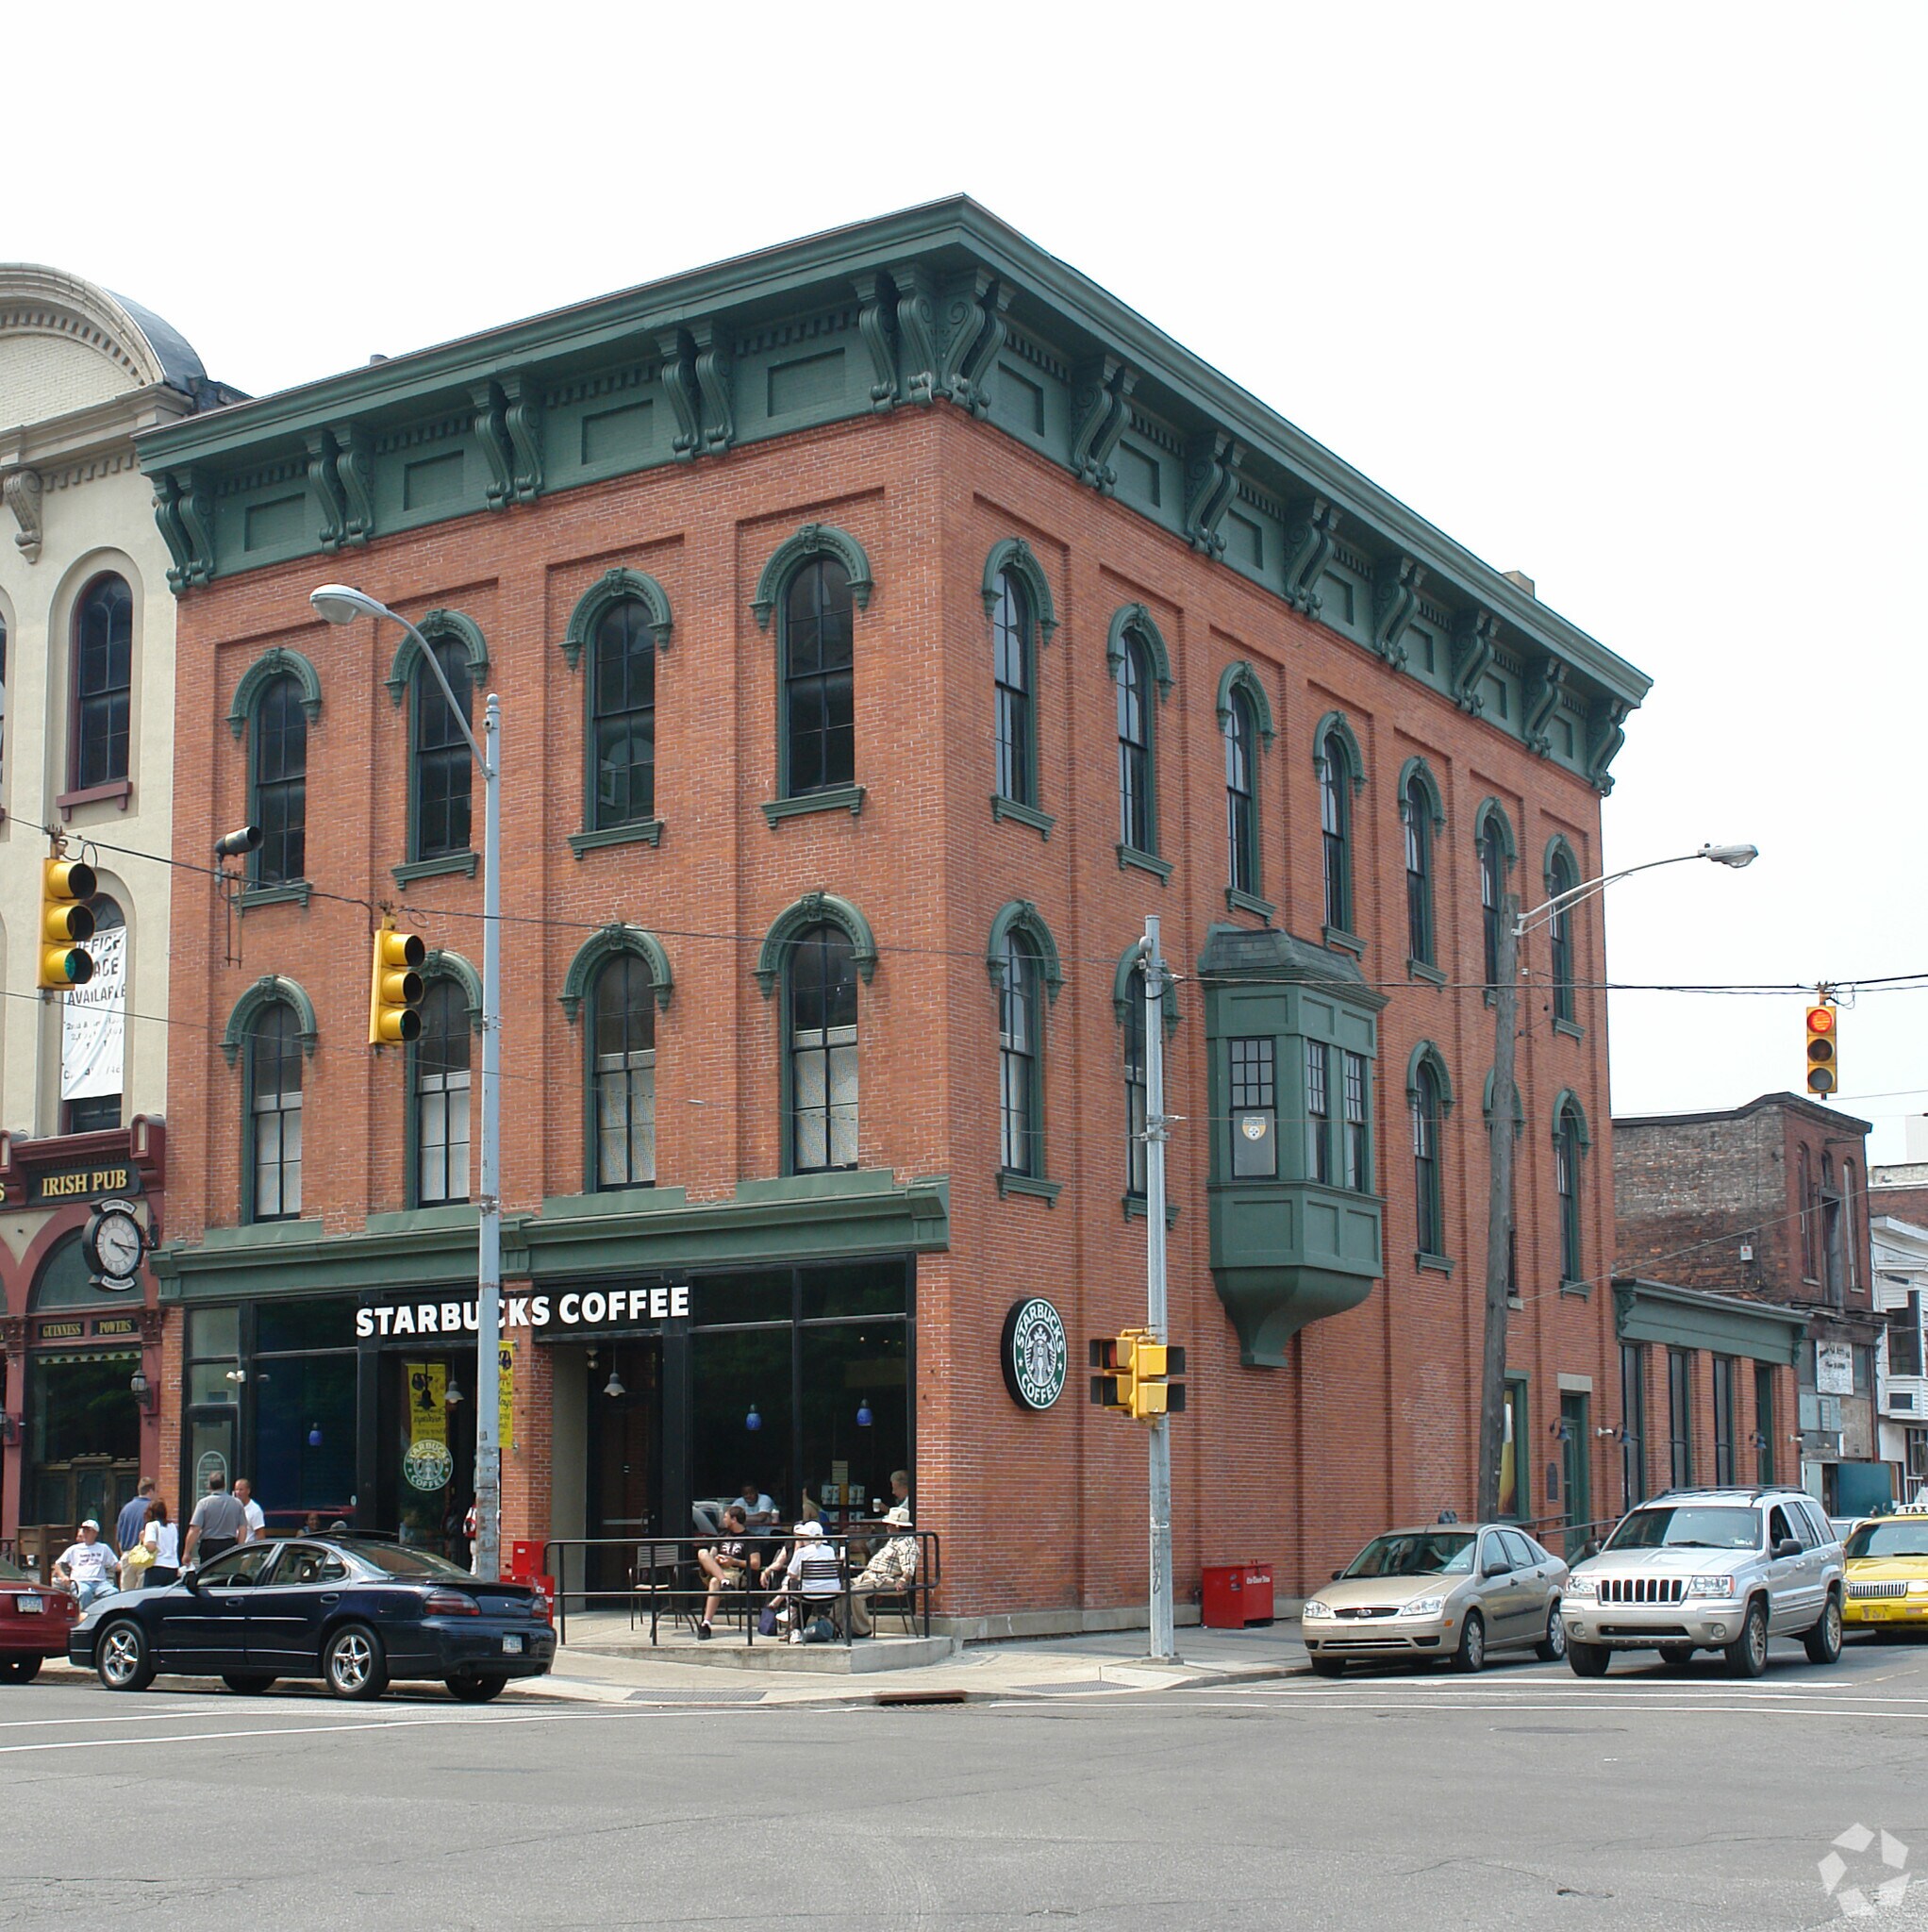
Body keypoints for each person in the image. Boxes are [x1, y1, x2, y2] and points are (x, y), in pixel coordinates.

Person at [767, 1520, 843, 1641]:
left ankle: (795, 1628)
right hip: (831, 1593)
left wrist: (800, 1576)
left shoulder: (802, 1552)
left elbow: (791, 1573)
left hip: (809, 1594)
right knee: (805, 1590)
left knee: (794, 1587)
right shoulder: (830, 1550)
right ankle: (813, 1622)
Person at [848, 1505, 919, 1636]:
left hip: (886, 1579)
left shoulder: (907, 1542)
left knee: (854, 1593)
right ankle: (834, 1626)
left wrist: (903, 1581)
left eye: (889, 1525)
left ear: (897, 1527)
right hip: (871, 1576)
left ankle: (862, 1629)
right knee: (842, 1587)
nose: (887, 1528)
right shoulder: (893, 1539)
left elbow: (909, 1568)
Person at [695, 1505, 762, 1639]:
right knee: (702, 1552)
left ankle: (706, 1623)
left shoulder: (749, 1538)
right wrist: (716, 1559)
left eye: (725, 1517)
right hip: (716, 1569)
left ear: (734, 1519)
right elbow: (712, 1554)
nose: (723, 1520)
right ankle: (724, 1582)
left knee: (715, 1582)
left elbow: (756, 1564)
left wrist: (734, 1561)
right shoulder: (722, 1535)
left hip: (734, 1572)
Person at [182, 1471, 249, 1567]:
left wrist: (187, 1552)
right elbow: (243, 1528)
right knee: (228, 1573)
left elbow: (194, 1529)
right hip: (229, 1545)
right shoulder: (237, 1503)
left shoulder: (203, 1503)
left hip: (209, 1546)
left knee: (208, 1573)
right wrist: (239, 1548)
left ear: (209, 1486)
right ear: (224, 1485)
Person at [53, 1521, 121, 1608]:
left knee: (114, 1593)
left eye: (88, 1531)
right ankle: (84, 1614)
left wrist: (128, 1565)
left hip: (100, 1583)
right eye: (84, 1531)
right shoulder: (74, 1549)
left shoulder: (104, 1548)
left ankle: (105, 1614)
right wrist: (63, 1576)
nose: (85, 1533)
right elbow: (57, 1564)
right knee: (85, 1592)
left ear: (95, 1533)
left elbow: (116, 1565)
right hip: (80, 1582)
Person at [141, 1497, 180, 1588]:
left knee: (152, 1594)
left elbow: (151, 1547)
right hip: (173, 1567)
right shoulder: (172, 1526)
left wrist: (143, 1539)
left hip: (157, 1566)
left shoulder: (151, 1525)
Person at [115, 1478, 158, 1557]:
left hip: (127, 1555)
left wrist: (123, 1555)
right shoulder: (152, 1508)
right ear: (151, 1491)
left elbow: (119, 1537)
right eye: (156, 1492)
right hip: (144, 1556)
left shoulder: (125, 1509)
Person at [234, 1477, 266, 1543]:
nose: (238, 1492)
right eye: (236, 1490)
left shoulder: (255, 1510)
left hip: (248, 1547)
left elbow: (260, 1535)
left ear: (248, 1491)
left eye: (241, 1490)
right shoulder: (233, 1507)